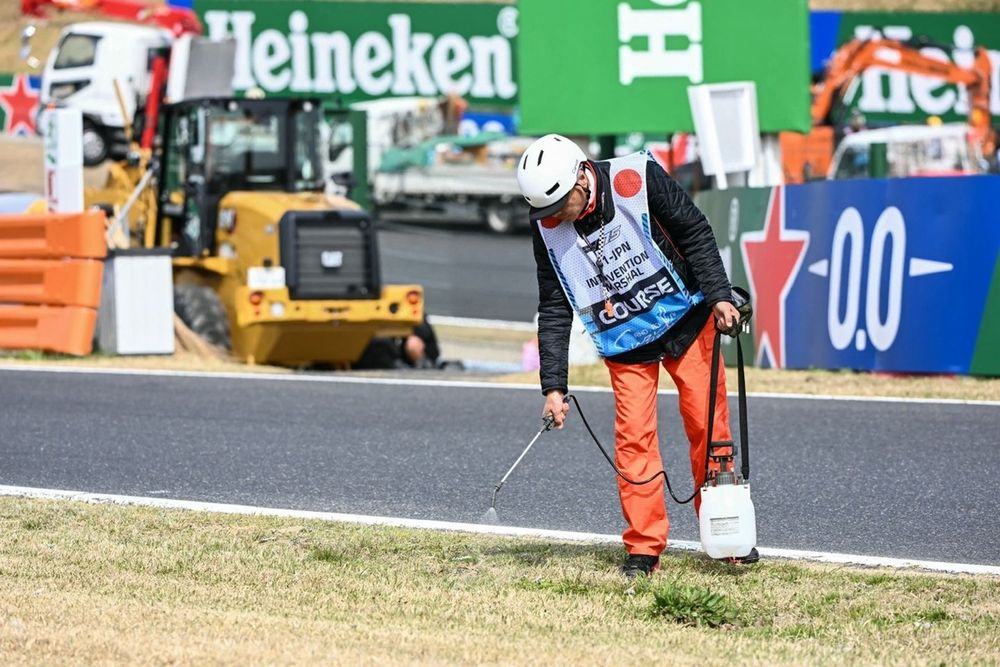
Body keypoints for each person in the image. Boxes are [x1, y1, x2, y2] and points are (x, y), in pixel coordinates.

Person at [516, 134, 756, 578]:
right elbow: (553, 304)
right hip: (626, 341)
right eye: (543, 214)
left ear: (581, 177)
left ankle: (726, 534)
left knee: (709, 428)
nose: (553, 220)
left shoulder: (639, 178)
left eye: (558, 207)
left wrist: (720, 296)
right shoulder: (545, 227)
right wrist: (554, 386)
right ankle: (644, 547)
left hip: (687, 318)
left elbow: (695, 231)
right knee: (634, 441)